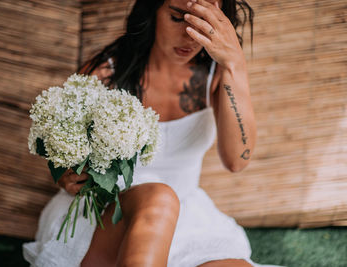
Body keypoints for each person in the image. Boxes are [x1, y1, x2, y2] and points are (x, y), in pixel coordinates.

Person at [23, 0, 281, 266]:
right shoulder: (105, 73)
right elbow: (63, 150)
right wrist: (65, 174)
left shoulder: (216, 73)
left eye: (203, 20)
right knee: (160, 198)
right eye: (178, 18)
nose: (190, 35)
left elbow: (238, 159)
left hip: (187, 215)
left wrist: (234, 63)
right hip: (109, 215)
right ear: (152, 12)